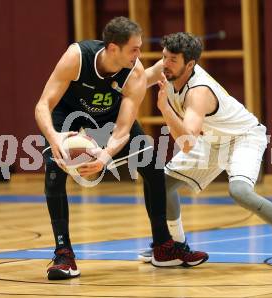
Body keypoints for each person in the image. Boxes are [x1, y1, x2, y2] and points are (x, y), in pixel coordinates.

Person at [140, 32, 272, 271]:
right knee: (163, 184)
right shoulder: (167, 67)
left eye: (172, 60)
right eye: (164, 57)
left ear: (190, 64)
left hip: (244, 137)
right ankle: (177, 246)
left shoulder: (197, 92)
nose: (165, 65)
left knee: (239, 191)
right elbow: (138, 81)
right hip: (212, 139)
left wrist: (164, 109)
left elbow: (187, 142)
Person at [35, 18, 208, 280]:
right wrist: (55, 138)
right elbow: (43, 105)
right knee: (53, 171)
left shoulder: (135, 73)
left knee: (152, 164)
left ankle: (163, 246)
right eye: (134, 49)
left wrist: (104, 157)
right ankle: (63, 254)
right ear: (113, 48)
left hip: (110, 117)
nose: (140, 55)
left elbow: (123, 130)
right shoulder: (77, 56)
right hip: (67, 114)